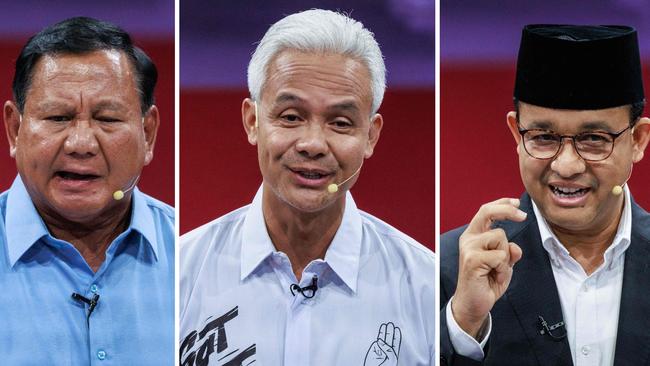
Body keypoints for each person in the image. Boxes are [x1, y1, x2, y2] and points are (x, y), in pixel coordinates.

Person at [180, 9, 434, 365]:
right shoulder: (181, 274)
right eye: (291, 117)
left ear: (370, 136)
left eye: (340, 122)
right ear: (253, 122)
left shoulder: (426, 286)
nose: (313, 144)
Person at [440, 25, 650, 366]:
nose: (566, 166)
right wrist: (465, 322)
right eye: (543, 137)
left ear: (638, 140)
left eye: (595, 138)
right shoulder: (449, 268)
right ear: (516, 134)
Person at [0, 17, 174, 364]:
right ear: (15, 129)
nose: (81, 144)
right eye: (58, 118)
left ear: (148, 134)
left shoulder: (191, 256)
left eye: (107, 119)